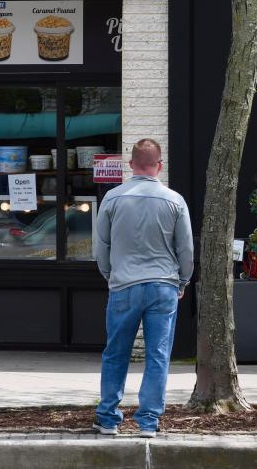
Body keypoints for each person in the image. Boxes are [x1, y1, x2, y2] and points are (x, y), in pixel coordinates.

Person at [92, 138, 194, 437]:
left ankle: (108, 418)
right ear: (159, 165)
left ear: (131, 164)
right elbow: (185, 249)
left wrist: (111, 276)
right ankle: (148, 422)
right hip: (163, 286)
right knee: (158, 355)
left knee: (116, 353)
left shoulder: (112, 198)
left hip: (124, 284)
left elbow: (101, 247)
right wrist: (183, 280)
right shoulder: (174, 200)